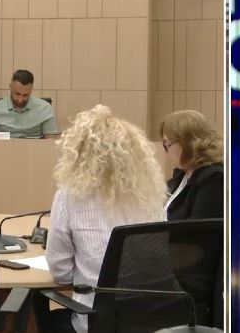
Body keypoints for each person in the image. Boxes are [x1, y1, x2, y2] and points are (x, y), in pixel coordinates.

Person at [44, 105, 166, 333]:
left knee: (38, 311)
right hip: (152, 317)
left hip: (95, 321)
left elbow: (61, 273)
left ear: (80, 153)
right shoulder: (152, 195)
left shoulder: (69, 196)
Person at [160, 110, 224, 220]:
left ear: (187, 142)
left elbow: (198, 228)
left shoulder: (214, 178)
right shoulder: (181, 176)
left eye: (167, 145)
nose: (165, 152)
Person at [0, 69, 59, 138]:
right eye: (17, 94)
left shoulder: (44, 108)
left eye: (25, 95)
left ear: (31, 90)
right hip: (4, 146)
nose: (20, 99)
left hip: (34, 145)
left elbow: (50, 140)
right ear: (10, 87)